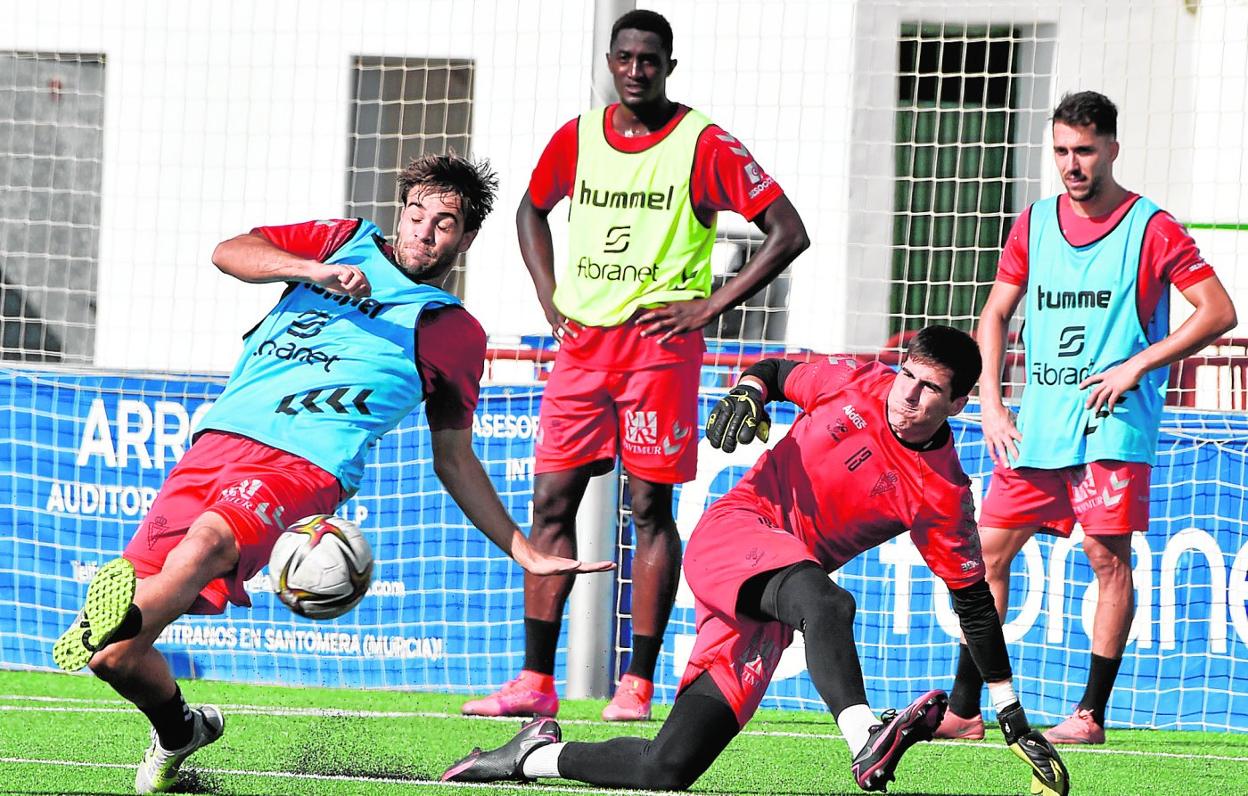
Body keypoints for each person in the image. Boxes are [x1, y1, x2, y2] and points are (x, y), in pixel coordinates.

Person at [51, 154, 614, 794]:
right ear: (399, 211)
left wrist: (524, 550)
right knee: (115, 661)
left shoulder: (452, 330)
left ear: (466, 238)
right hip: (215, 445)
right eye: (416, 214)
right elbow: (230, 252)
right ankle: (180, 728)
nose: (424, 233)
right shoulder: (341, 241)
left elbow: (454, 457)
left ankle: (114, 616)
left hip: (305, 465)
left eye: (445, 224)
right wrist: (312, 271)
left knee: (205, 544)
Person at [445, 325, 1069, 795]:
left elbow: (974, 603)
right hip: (738, 532)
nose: (908, 394)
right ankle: (864, 738)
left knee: (666, 769)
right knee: (830, 602)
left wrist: (1010, 712)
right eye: (909, 375)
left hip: (774, 600)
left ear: (957, 405)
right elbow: (773, 368)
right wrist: (750, 390)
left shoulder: (943, 493)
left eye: (930, 389)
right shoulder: (854, 380)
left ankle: (529, 756)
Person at [461, 8, 809, 726]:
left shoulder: (701, 143)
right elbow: (530, 210)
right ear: (611, 63)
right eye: (625, 57)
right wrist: (546, 292)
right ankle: (533, 678)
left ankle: (637, 682)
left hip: (659, 351)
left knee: (649, 510)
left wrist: (709, 306)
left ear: (669, 67)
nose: (637, 69)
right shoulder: (579, 137)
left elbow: (787, 231)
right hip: (583, 348)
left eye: (650, 59)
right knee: (551, 503)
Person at [938, 91, 1238, 746]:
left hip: (1112, 422)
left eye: (1084, 151)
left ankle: (1089, 715)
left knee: (1107, 557)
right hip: (1036, 424)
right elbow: (994, 315)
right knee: (984, 553)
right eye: (1062, 152)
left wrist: (1138, 365)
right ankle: (965, 712)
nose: (1072, 165)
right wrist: (990, 399)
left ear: (1112, 149)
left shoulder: (1151, 226)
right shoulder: (1035, 222)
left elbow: (1218, 310)